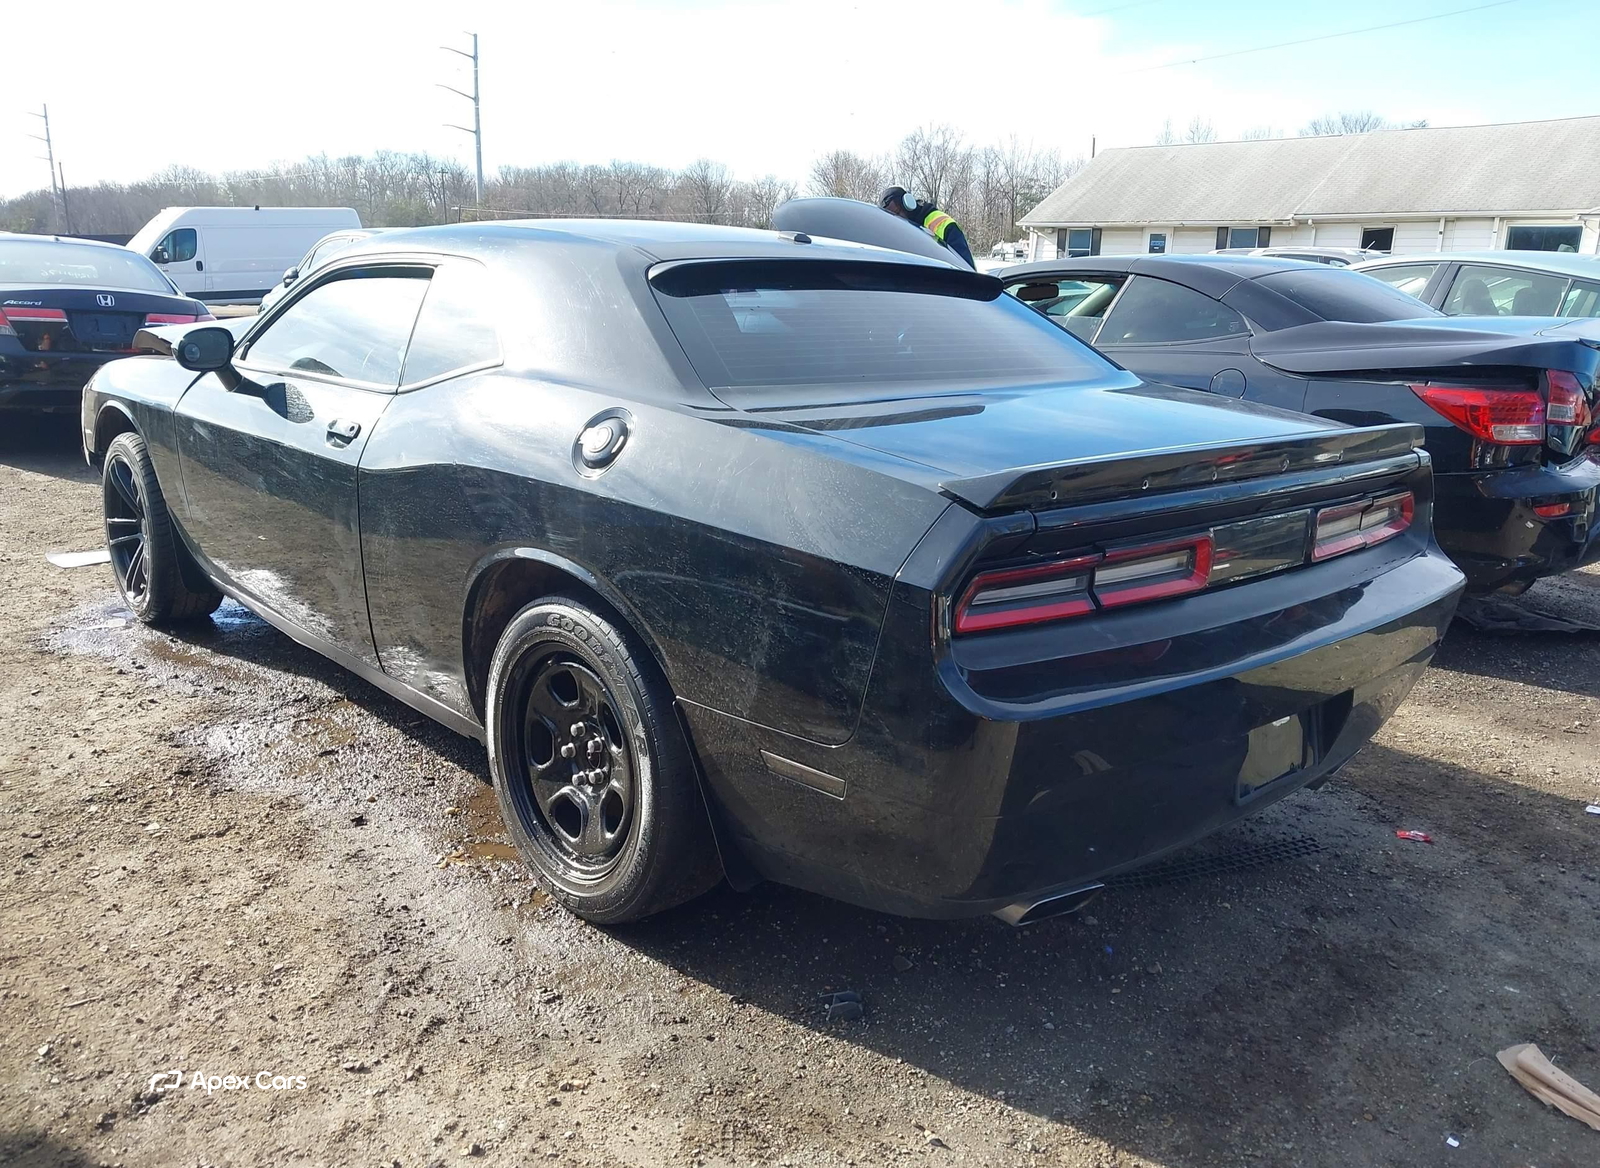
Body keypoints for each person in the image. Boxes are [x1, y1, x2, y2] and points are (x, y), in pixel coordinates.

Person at [877, 186, 975, 268]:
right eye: (892, 217)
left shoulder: (943, 224)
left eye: (897, 212)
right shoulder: (898, 234)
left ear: (908, 203)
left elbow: (966, 266)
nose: (897, 219)